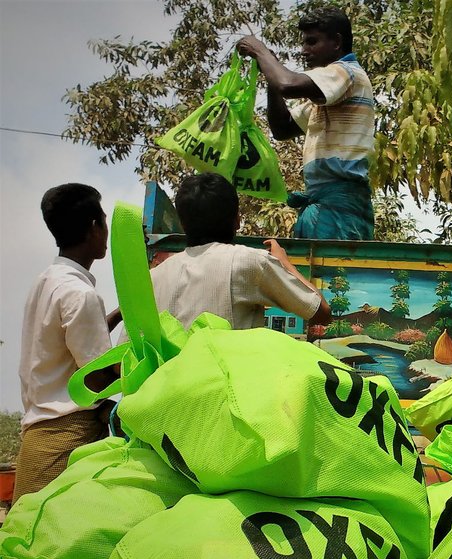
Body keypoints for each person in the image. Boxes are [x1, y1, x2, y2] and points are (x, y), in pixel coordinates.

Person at [15, 184, 117, 502]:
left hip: (39, 435)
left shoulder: (47, 282)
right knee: (53, 527)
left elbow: (70, 340)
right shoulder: (80, 294)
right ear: (94, 228)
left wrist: (120, 314)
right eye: (104, 221)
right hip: (66, 438)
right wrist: (134, 367)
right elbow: (95, 379)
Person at [237, 7, 375, 240]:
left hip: (338, 209)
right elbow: (282, 128)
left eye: (312, 42)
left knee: (330, 264)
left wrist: (260, 52)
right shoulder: (326, 99)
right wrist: (270, 75)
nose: (304, 51)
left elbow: (288, 85)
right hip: (326, 206)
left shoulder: (346, 72)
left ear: (336, 42)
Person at [148, 173, 332, 331]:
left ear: (182, 223)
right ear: (237, 220)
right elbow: (321, 312)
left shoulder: (153, 278)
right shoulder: (248, 262)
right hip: (227, 364)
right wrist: (283, 262)